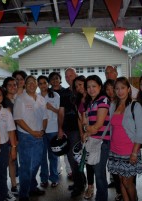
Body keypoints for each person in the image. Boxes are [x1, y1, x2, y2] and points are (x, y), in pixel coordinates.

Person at [107, 77, 142, 201]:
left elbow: (141, 131)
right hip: (114, 150)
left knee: (127, 182)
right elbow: (109, 126)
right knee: (121, 182)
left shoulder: (135, 105)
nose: (120, 91)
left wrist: (135, 152)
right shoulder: (113, 105)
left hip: (129, 151)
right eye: (117, 88)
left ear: (128, 89)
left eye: (122, 88)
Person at [13, 75, 48, 201]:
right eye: (29, 83)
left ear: (37, 85)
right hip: (26, 136)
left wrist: (42, 130)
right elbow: (18, 119)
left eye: (34, 82)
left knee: (37, 163)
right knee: (26, 165)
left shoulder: (41, 99)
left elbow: (45, 117)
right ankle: (24, 194)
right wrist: (32, 132)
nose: (32, 84)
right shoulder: (20, 99)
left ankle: (31, 186)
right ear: (25, 85)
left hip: (39, 135)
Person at [58, 68, 86, 198]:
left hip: (77, 129)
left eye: (71, 75)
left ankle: (79, 185)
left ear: (76, 76)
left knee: (74, 158)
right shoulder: (63, 93)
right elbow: (61, 112)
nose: (69, 78)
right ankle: (79, 182)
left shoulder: (81, 90)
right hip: (67, 129)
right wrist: (60, 128)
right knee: (72, 158)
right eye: (66, 76)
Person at [83, 75, 110, 201]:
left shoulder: (103, 100)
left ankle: (101, 198)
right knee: (97, 171)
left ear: (100, 87)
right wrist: (87, 129)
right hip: (94, 142)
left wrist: (87, 129)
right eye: (88, 87)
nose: (91, 89)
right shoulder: (90, 103)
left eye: (94, 86)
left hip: (102, 142)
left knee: (99, 174)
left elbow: (98, 125)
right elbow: (86, 124)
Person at [73, 75, 95, 199]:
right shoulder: (78, 99)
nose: (79, 88)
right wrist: (81, 133)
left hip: (94, 133)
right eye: (76, 86)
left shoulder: (93, 98)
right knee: (88, 162)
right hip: (85, 134)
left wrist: (89, 131)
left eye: (81, 84)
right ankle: (90, 186)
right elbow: (79, 118)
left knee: (95, 162)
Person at [37, 75, 60, 188]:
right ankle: (44, 178)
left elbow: (60, 113)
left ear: (48, 84)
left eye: (44, 83)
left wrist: (51, 108)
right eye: (40, 83)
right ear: (38, 85)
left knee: (53, 156)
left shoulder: (55, 95)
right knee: (42, 156)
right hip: (41, 131)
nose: (43, 85)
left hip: (53, 130)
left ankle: (54, 178)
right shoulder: (35, 97)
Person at [48, 71, 72, 178]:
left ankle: (69, 170)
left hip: (65, 123)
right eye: (52, 79)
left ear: (60, 79)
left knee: (66, 148)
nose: (55, 81)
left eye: (56, 78)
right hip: (51, 125)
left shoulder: (66, 92)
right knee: (55, 149)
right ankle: (56, 171)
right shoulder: (47, 93)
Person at [2, 76, 19, 194]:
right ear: (5, 87)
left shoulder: (18, 99)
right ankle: (9, 186)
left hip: (19, 133)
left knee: (13, 160)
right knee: (9, 161)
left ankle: (14, 184)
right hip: (8, 135)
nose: (13, 87)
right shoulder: (3, 102)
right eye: (10, 85)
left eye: (15, 84)